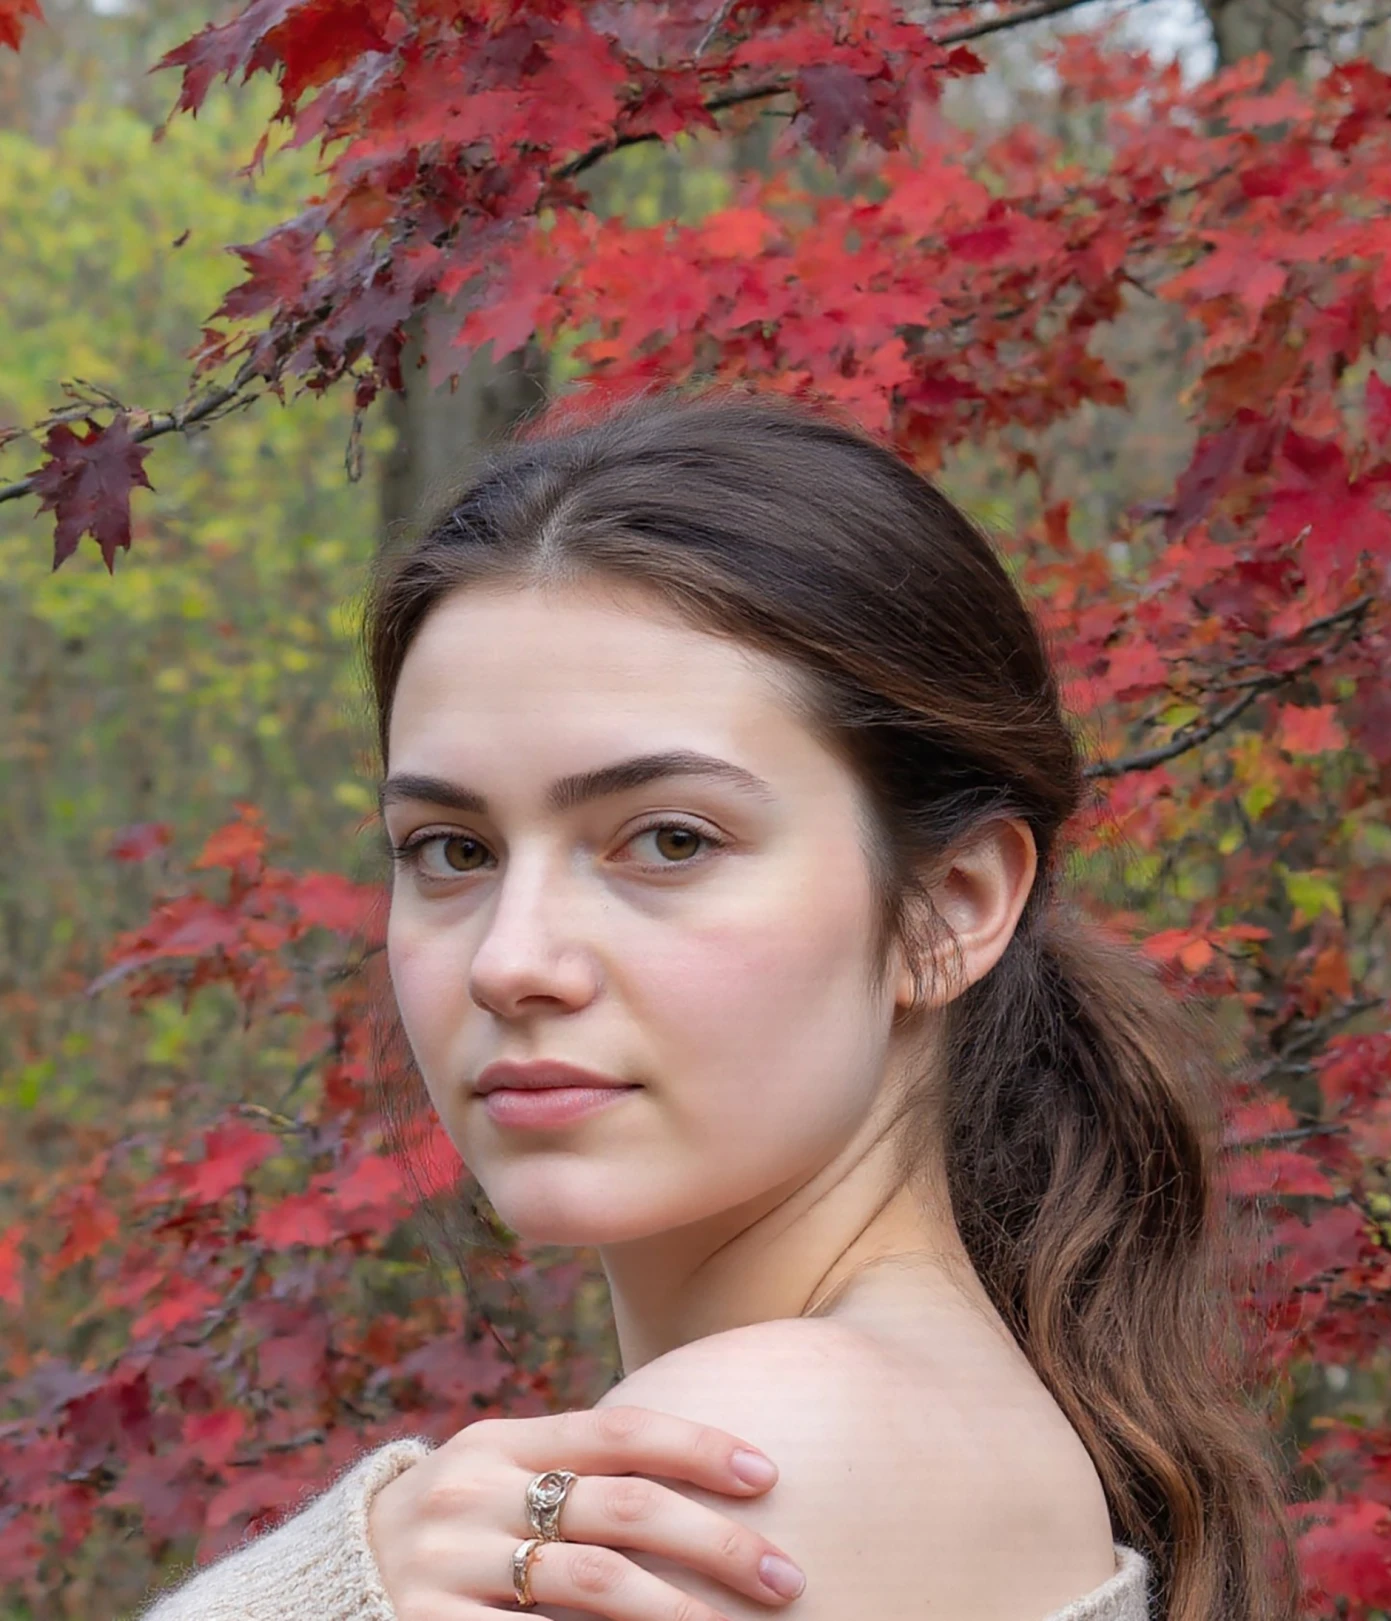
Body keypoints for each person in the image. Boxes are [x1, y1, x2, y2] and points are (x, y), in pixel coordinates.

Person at [136, 387, 1299, 1621]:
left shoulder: (754, 1452)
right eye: (451, 850)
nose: (509, 961)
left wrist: (317, 1587)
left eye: (670, 840)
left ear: (951, 905)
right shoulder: (942, 1415)